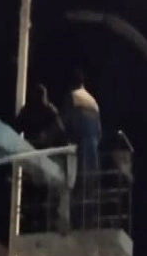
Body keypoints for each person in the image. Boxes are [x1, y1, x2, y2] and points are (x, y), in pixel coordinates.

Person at [13, 84, 69, 233]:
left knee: (37, 192)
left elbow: (16, 129)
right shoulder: (48, 110)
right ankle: (46, 220)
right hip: (43, 157)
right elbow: (61, 132)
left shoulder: (28, 111)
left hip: (33, 156)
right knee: (47, 191)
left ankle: (36, 221)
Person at [62, 69, 102, 229]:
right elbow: (99, 131)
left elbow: (66, 123)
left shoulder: (72, 96)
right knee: (90, 186)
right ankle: (88, 222)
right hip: (93, 149)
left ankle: (75, 223)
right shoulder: (93, 101)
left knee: (76, 185)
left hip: (79, 147)